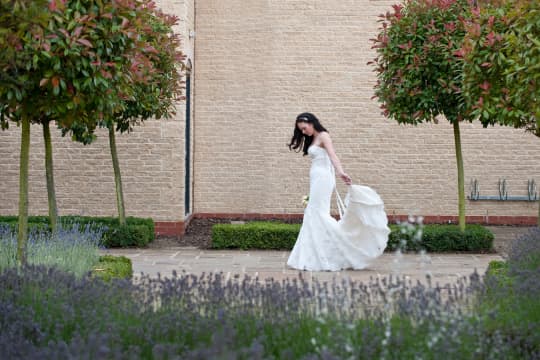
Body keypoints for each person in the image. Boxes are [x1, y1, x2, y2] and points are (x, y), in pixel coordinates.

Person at [287, 112, 390, 271]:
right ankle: (315, 254)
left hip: (323, 179)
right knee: (313, 213)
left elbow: (333, 155)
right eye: (300, 130)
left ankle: (342, 247)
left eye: (304, 128)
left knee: (318, 213)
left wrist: (341, 172)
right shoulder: (313, 138)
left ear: (311, 122)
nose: (303, 132)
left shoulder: (323, 136)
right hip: (316, 179)